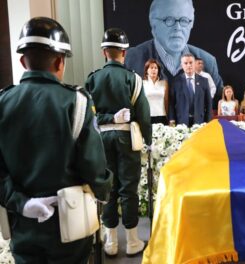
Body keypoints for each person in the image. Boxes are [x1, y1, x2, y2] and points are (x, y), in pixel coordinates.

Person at [0, 17, 112, 263]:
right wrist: (104, 191)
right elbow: (93, 166)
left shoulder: (3, 103)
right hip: (69, 225)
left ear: (22, 61)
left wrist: (21, 202)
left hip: (22, 224)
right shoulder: (77, 102)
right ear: (60, 61)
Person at [85, 28, 152, 257]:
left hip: (102, 139)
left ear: (105, 52)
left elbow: (88, 115)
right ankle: (132, 241)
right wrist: (149, 141)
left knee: (109, 188)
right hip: (126, 138)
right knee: (128, 189)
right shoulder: (133, 79)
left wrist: (108, 118)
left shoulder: (93, 79)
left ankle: (111, 242)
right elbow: (143, 114)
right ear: (124, 53)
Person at [125, 0, 223, 91]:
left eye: (184, 20)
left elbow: (219, 102)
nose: (178, 27)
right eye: (169, 20)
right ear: (153, 23)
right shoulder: (131, 60)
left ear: (191, 23)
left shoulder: (208, 63)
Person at [168, 53, 212, 127]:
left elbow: (208, 103)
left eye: (191, 62)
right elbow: (171, 104)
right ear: (182, 65)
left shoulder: (204, 81)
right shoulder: (176, 82)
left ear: (194, 64)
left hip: (200, 121)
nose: (189, 65)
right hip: (181, 122)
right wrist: (172, 121)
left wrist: (208, 122)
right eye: (186, 63)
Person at [143, 59, 169, 125]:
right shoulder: (142, 83)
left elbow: (166, 101)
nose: (154, 70)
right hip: (147, 116)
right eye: (151, 68)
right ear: (147, 70)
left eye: (156, 68)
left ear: (158, 70)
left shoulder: (164, 83)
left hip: (162, 116)